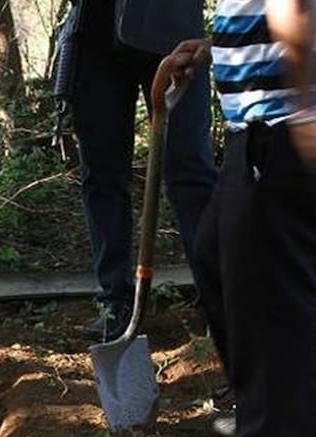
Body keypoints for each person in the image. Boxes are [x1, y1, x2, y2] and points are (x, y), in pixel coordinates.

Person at [174, 0, 316, 437]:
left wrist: (302, 106)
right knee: (217, 254)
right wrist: (220, 47)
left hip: (284, 122)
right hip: (276, 120)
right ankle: (278, 417)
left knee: (267, 289)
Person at [70, 0, 218, 341]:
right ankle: (116, 303)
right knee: (101, 175)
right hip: (92, 33)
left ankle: (218, 300)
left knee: (190, 169)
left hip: (174, 33)